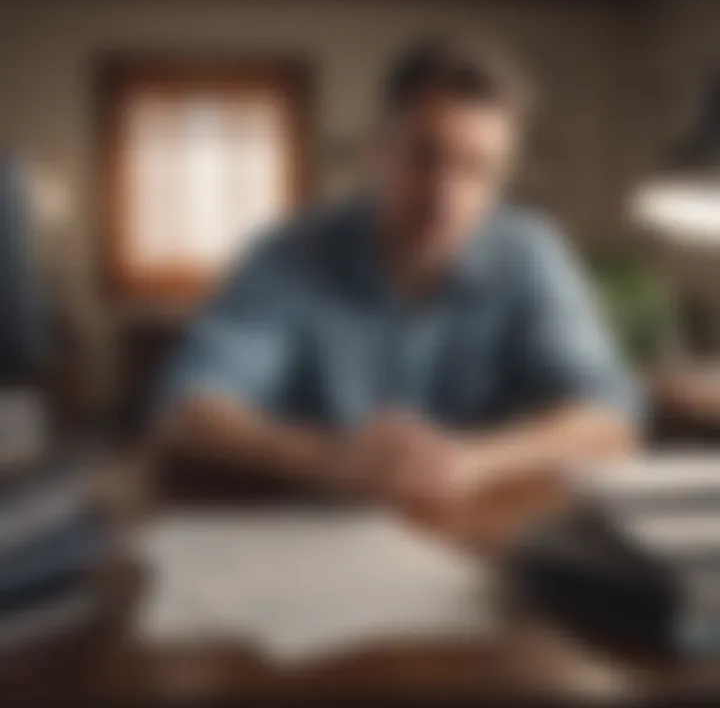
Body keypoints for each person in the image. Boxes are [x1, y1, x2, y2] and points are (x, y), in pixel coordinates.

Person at [154, 38, 641, 510]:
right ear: (378, 148)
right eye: (424, 156)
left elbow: (611, 416)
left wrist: (473, 461)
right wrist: (331, 458)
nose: (445, 195)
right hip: (310, 534)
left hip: (473, 538)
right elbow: (186, 411)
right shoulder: (285, 256)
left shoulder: (533, 254)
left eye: (478, 168)